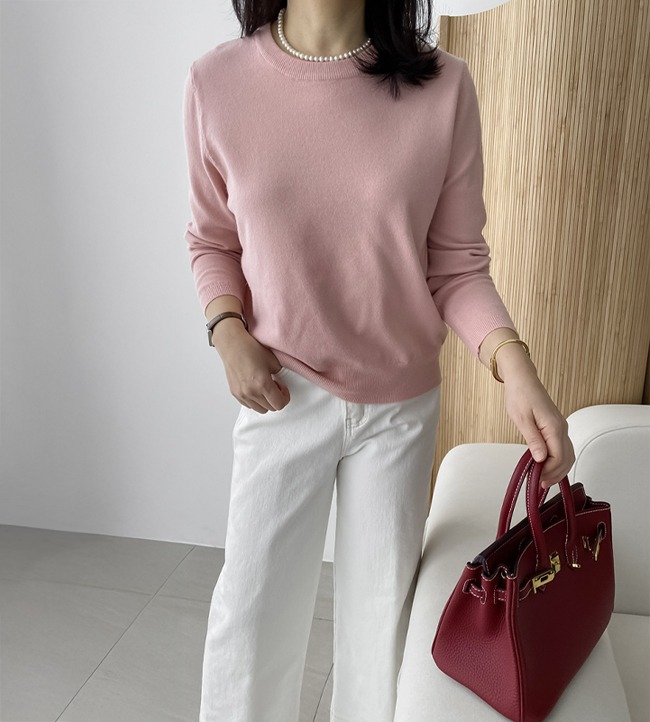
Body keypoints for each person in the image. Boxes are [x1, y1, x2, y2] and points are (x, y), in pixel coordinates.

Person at [182, 2, 576, 720]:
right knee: (251, 623)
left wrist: (515, 366)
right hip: (282, 395)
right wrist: (227, 329)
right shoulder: (217, 82)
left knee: (379, 631)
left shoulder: (443, 86)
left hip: (398, 412)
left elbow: (455, 265)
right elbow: (213, 240)